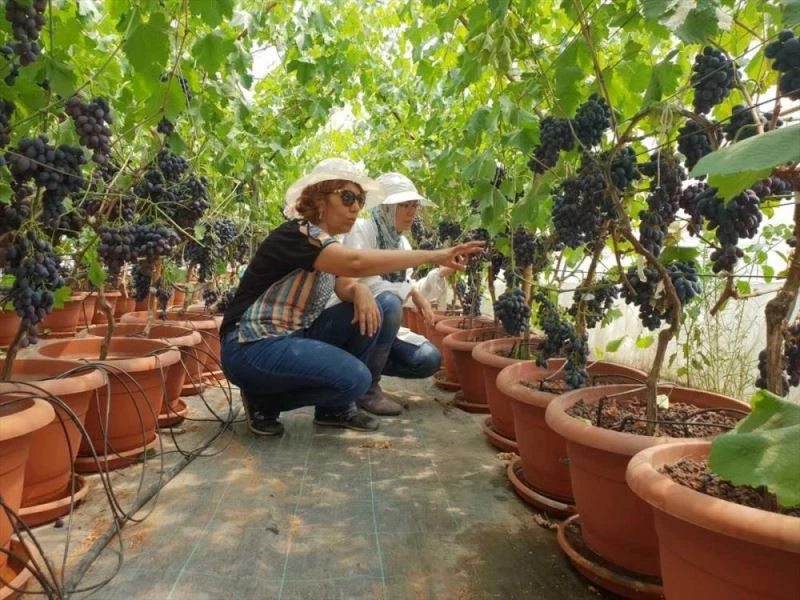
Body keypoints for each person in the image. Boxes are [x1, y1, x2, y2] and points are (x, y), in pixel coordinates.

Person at [219, 158, 484, 436]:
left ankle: (333, 410)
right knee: (356, 379)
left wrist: (360, 290)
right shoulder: (299, 234)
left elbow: (345, 283)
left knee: (376, 309)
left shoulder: (328, 241)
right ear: (319, 199)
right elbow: (354, 263)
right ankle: (263, 401)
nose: (356, 207)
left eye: (360, 199)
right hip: (250, 345)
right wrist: (435, 255)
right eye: (347, 197)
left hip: (293, 336)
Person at [330, 172, 450, 416]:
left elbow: (406, 287)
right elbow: (361, 283)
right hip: (352, 322)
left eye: (414, 205)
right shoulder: (362, 231)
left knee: (428, 359)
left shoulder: (401, 244)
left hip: (379, 326)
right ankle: (367, 389)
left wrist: (437, 275)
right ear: (385, 208)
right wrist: (411, 291)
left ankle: (359, 369)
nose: (411, 212)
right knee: (389, 302)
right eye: (404, 205)